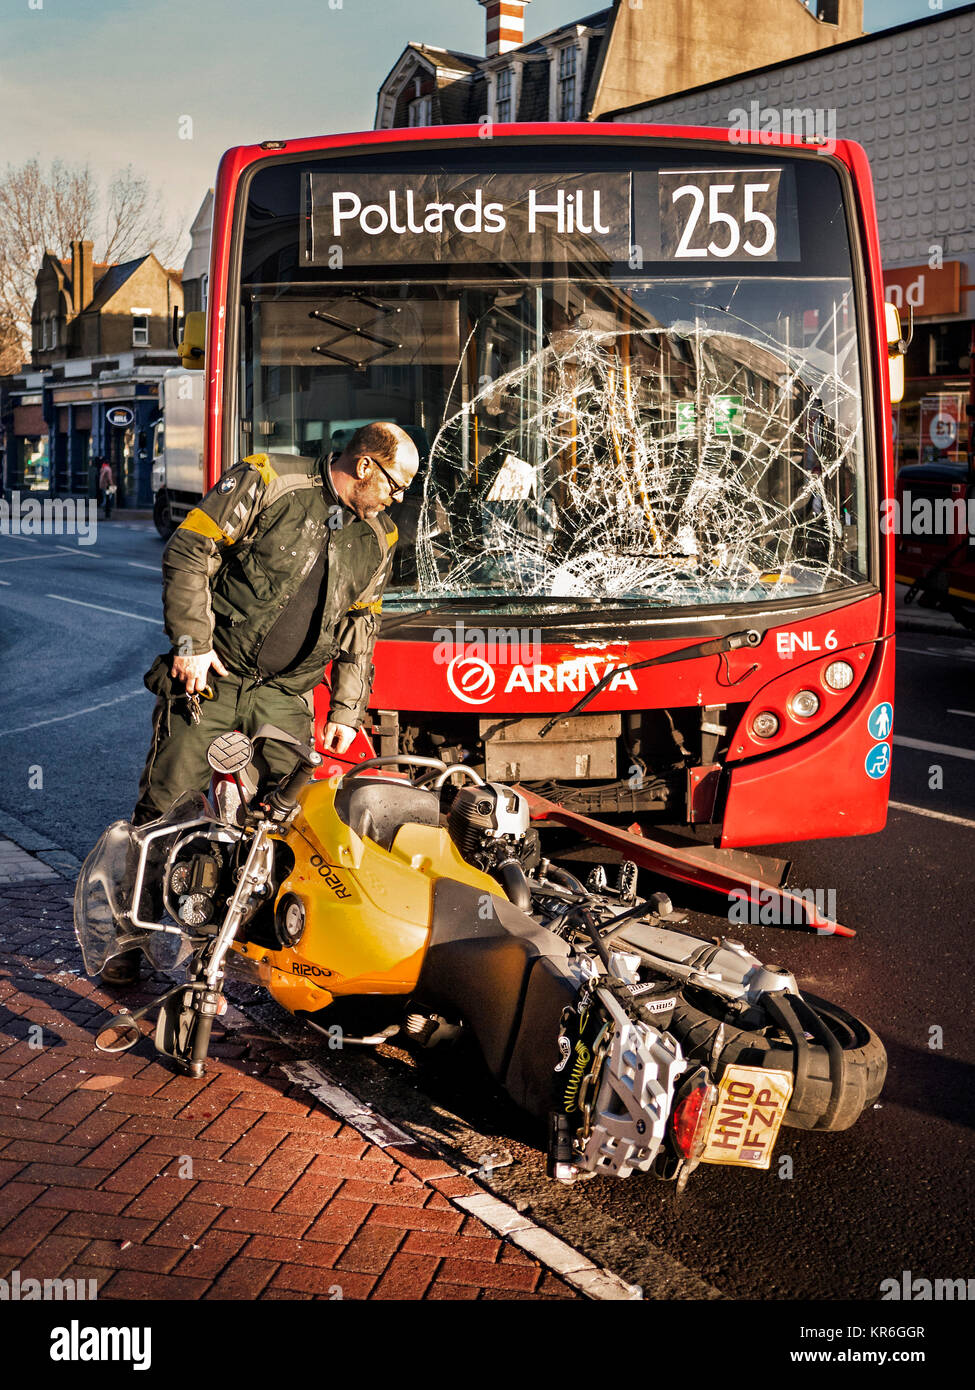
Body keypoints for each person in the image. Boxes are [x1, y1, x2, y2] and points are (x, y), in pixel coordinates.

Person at [100, 421, 418, 986]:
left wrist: (346, 709)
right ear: (365, 465)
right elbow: (191, 548)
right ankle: (130, 934)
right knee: (165, 808)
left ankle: (260, 943)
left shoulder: (380, 536)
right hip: (214, 680)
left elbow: (361, 625)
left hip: (286, 695)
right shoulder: (271, 479)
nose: (399, 498)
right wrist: (192, 644)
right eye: (395, 484)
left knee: (288, 817)